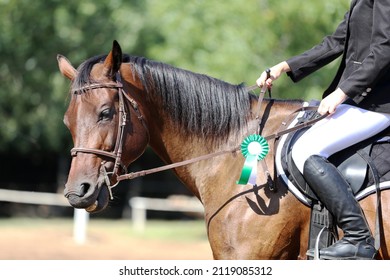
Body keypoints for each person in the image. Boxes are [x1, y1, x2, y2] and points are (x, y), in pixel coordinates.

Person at [256, 0, 390, 260]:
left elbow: (385, 49)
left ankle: (358, 237)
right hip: (359, 100)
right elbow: (337, 41)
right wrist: (284, 66)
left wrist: (342, 92)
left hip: (378, 104)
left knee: (305, 149)